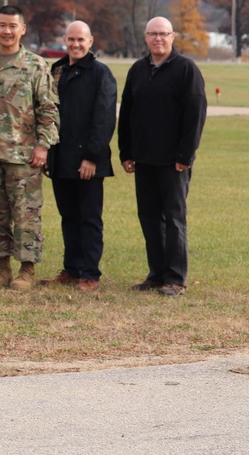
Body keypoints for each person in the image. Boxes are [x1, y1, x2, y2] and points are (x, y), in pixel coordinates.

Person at [119, 16, 206, 297]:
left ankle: (175, 278)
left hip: (173, 162)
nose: (158, 38)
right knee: (149, 219)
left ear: (173, 37)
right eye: (153, 34)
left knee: (174, 219)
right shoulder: (138, 70)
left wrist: (185, 155)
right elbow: (127, 114)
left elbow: (195, 116)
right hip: (144, 160)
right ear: (145, 37)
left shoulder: (186, 70)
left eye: (163, 34)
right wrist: (126, 152)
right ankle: (156, 274)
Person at [0, 5, 59, 290]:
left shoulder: (36, 66)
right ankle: (2, 268)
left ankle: (27, 270)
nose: (7, 31)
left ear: (22, 29)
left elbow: (48, 111)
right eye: (2, 25)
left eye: (13, 26)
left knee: (26, 215)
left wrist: (43, 147)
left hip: (25, 157)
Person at [40, 21, 117, 293]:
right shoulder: (57, 70)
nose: (75, 44)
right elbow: (49, 114)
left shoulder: (100, 74)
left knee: (89, 218)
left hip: (88, 163)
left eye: (81, 40)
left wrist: (92, 158)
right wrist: (49, 153)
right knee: (68, 216)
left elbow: (104, 118)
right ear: (64, 39)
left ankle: (90, 273)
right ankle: (72, 269)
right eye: (71, 39)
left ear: (91, 41)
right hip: (61, 158)